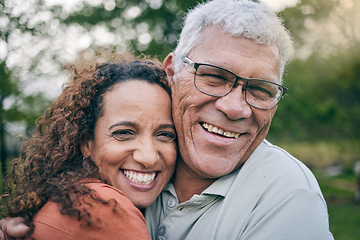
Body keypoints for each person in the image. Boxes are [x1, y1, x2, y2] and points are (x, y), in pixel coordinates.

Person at [1, 0, 334, 239]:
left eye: (261, 89)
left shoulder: (288, 197)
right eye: (215, 76)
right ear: (172, 71)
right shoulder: (116, 186)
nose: (235, 108)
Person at [0, 52, 177, 239]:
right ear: (86, 142)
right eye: (124, 133)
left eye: (165, 135)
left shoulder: (72, 198)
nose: (148, 157)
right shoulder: (106, 210)